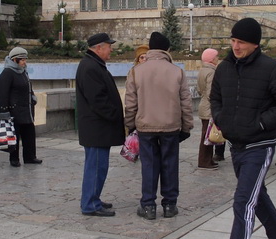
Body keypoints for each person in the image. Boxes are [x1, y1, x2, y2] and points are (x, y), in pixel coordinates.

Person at [202, 18, 276, 239]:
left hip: (260, 144)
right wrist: (220, 118)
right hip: (236, 146)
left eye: (241, 42)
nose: (235, 46)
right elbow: (215, 98)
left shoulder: (270, 69)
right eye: (233, 41)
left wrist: (260, 123)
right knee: (258, 198)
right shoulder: (224, 68)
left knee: (243, 202)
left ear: (254, 43)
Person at [125, 31, 193, 220]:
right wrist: (186, 127)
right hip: (171, 127)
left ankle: (148, 206)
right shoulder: (177, 71)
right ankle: (170, 205)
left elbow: (130, 103)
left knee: (149, 165)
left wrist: (130, 125)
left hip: (145, 127)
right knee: (170, 165)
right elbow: (185, 103)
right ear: (167, 49)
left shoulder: (136, 71)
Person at [76, 33, 125, 217]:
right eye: (108, 46)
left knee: (98, 167)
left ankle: (93, 197)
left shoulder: (93, 64)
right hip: (97, 129)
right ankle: (90, 204)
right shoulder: (90, 67)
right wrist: (115, 116)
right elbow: (98, 100)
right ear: (98, 48)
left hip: (98, 129)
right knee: (96, 167)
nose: (111, 49)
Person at [0, 47, 41, 167]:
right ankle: (14, 158)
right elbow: (2, 94)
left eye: (25, 59)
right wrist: (3, 111)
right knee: (14, 136)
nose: (24, 62)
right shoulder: (7, 73)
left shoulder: (23, 72)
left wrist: (32, 97)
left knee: (29, 134)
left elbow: (28, 88)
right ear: (14, 60)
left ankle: (30, 156)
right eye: (22, 60)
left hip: (26, 110)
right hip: (14, 111)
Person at [197, 48, 222, 170]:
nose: (218, 59)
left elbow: (199, 89)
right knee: (208, 136)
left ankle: (208, 159)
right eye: (216, 56)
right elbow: (211, 92)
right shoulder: (211, 72)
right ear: (212, 59)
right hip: (209, 107)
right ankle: (204, 161)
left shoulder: (202, 70)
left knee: (206, 134)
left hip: (203, 105)